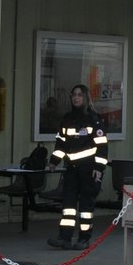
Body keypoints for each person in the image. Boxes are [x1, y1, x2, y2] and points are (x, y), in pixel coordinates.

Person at [47, 84, 109, 249]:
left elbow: (102, 147)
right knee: (68, 206)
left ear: (86, 98)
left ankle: (84, 239)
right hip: (71, 170)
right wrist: (54, 161)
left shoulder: (94, 119)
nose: (76, 98)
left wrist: (98, 168)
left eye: (80, 95)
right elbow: (60, 144)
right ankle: (64, 238)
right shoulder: (66, 119)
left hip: (89, 170)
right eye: (74, 95)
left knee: (86, 208)